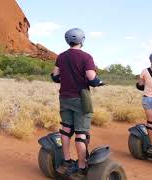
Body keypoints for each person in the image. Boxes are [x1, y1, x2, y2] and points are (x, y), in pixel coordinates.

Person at [51, 28, 103, 176]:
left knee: (66, 129)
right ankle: (81, 167)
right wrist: (99, 82)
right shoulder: (86, 57)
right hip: (80, 99)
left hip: (64, 98)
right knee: (81, 134)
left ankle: (66, 161)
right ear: (82, 40)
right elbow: (92, 78)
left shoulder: (61, 56)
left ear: (68, 40)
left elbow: (55, 76)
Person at [136, 52, 152, 155]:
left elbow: (140, 85)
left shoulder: (145, 71)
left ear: (150, 60)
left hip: (148, 99)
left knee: (151, 122)